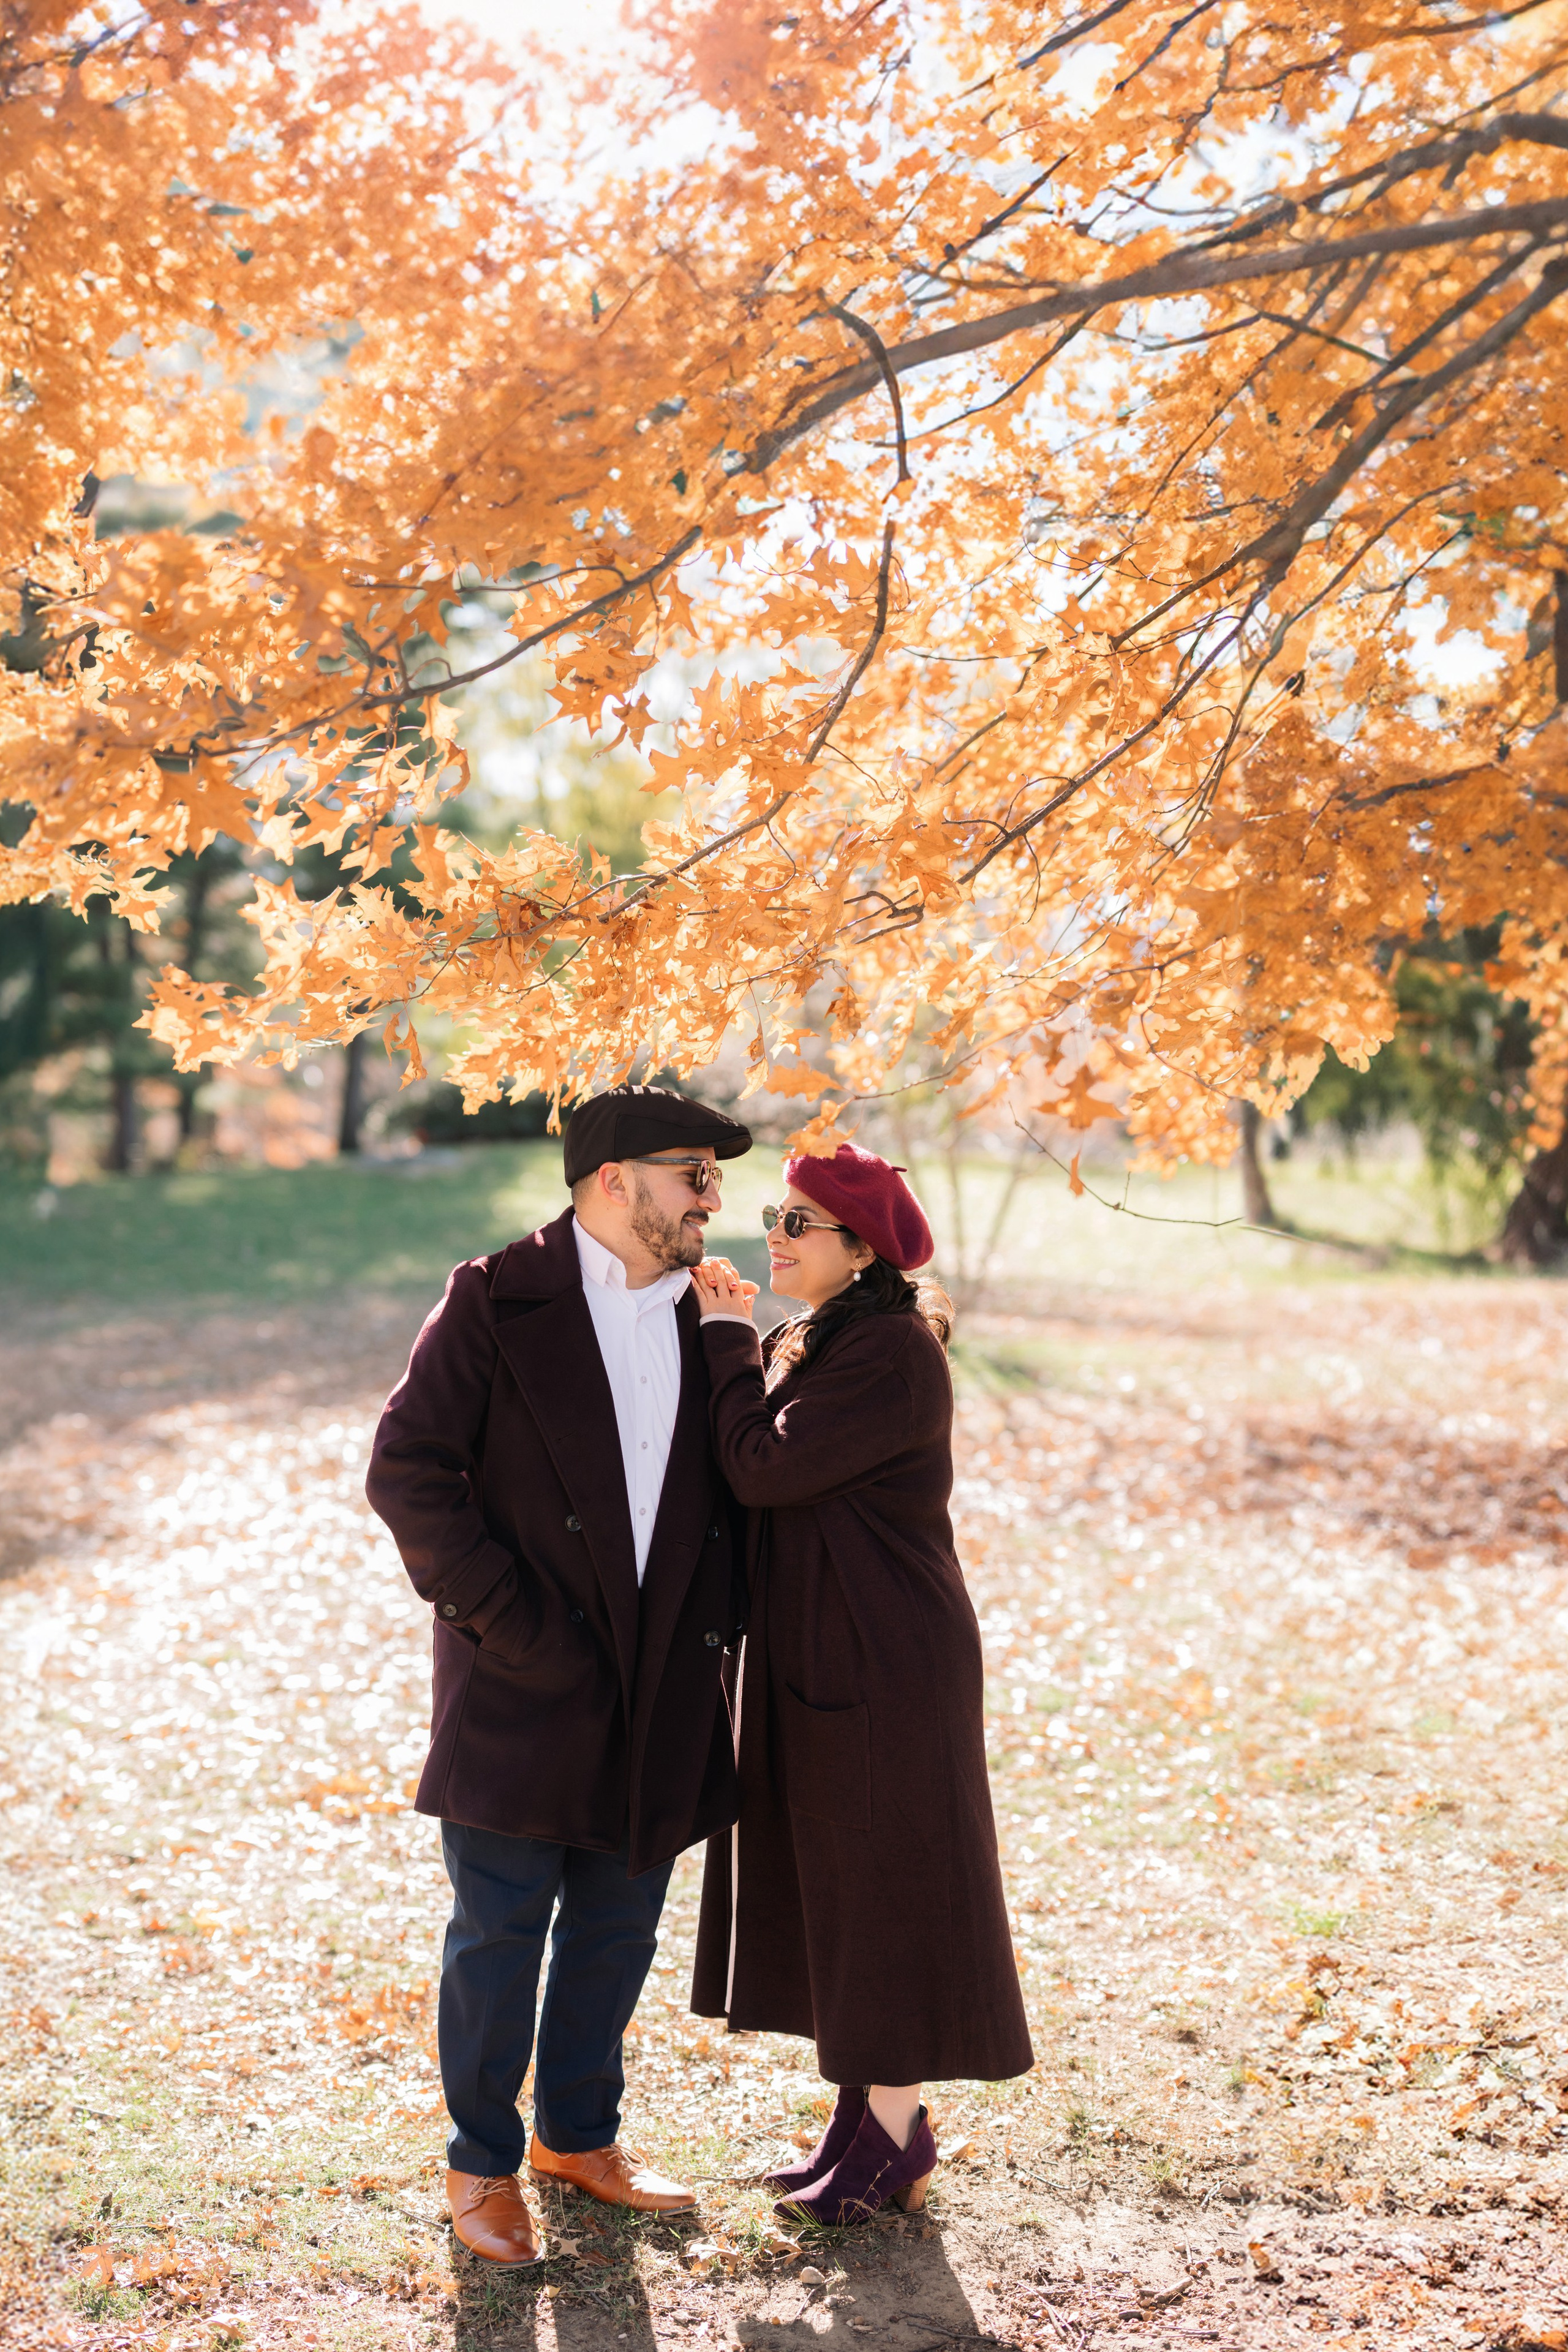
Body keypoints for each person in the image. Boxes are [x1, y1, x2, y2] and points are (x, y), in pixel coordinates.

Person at [366, 1084, 755, 2268]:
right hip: (522, 1679)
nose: (713, 1198)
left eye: (714, 1178)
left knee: (617, 1925)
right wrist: (509, 1624)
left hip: (664, 1683)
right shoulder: (494, 1297)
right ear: (611, 1182)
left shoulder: (710, 1313)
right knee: (498, 1932)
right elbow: (408, 1471)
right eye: (693, 1173)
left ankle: (579, 2136)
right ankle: (480, 2166)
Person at [689, 1139, 1033, 2224]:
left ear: (860, 1249)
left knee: (881, 1882)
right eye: (776, 1215)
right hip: (826, 1645)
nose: (774, 1236)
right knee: (836, 1877)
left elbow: (763, 1467)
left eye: (798, 1224)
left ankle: (894, 2136)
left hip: (886, 1658)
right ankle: (866, 2123)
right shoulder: (820, 1335)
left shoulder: (888, 1349)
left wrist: (724, 1344)